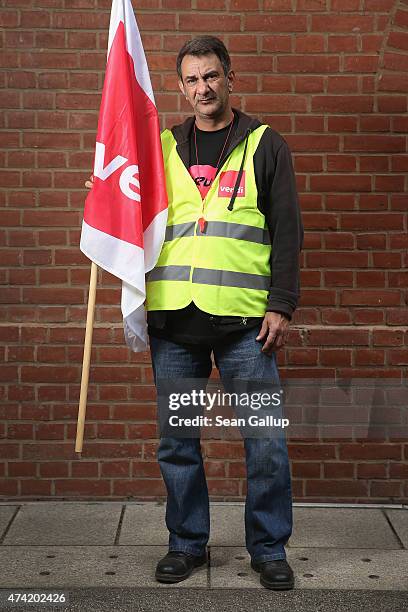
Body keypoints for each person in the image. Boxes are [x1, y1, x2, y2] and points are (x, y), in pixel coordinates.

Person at [87, 35, 303, 591]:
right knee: (178, 441)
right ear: (181, 86)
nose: (203, 88)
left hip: (245, 325)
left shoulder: (265, 145)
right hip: (175, 325)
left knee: (266, 442)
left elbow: (287, 234)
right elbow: (130, 201)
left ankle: (269, 549)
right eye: (192, 80)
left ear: (229, 77)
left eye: (211, 76)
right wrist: (105, 191)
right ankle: (186, 544)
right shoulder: (160, 147)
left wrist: (281, 305)